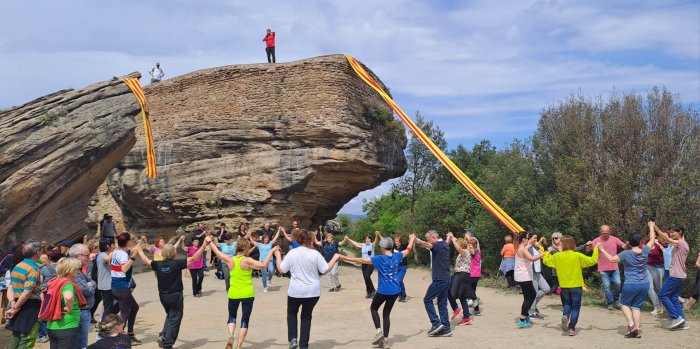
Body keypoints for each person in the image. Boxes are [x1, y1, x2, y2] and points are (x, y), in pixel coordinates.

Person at [339, 234, 416, 348]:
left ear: (383, 248)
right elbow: (408, 250)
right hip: (395, 291)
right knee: (386, 314)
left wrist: (343, 258)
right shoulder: (398, 256)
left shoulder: (379, 258)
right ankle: (385, 341)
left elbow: (361, 260)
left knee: (374, 308)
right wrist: (412, 240)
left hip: (383, 291)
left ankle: (379, 331)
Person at [134, 235, 209, 349]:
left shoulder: (157, 264)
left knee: (170, 315)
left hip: (163, 296)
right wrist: (203, 246)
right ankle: (167, 343)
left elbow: (146, 261)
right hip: (175, 295)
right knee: (175, 318)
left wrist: (139, 251)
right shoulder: (177, 263)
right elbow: (193, 258)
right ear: (173, 253)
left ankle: (163, 335)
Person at [273, 229, 340, 349]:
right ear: (309, 240)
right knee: (306, 316)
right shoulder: (315, 254)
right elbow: (325, 270)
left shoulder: (293, 252)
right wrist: (335, 258)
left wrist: (278, 256)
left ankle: (293, 338)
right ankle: (304, 345)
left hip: (296, 291)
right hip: (313, 292)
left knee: (292, 313)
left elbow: (282, 269)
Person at [210, 237, 279, 349]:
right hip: (247, 293)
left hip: (233, 293)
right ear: (246, 247)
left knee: (232, 316)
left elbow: (217, 252)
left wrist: (209, 241)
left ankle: (231, 335)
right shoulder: (247, 260)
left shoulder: (230, 259)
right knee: (245, 319)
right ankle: (239, 346)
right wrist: (271, 251)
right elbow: (263, 265)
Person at [598, 223, 656, 338]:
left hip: (631, 284)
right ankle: (637, 330)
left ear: (629, 242)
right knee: (636, 307)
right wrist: (651, 227)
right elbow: (653, 239)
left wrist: (602, 250)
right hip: (644, 284)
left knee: (624, 304)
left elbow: (611, 259)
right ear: (640, 242)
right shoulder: (645, 251)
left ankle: (631, 325)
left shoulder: (626, 253)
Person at [542, 235, 600, 336]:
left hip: (564, 286)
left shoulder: (557, 256)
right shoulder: (577, 255)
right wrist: (596, 249)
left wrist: (548, 251)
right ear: (573, 244)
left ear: (562, 244)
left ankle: (565, 315)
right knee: (576, 307)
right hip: (576, 286)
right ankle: (572, 328)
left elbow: (545, 261)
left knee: (567, 304)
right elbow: (592, 261)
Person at [414, 230, 452, 337]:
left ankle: (436, 323)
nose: (428, 241)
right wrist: (449, 237)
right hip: (446, 279)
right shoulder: (444, 244)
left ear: (434, 237)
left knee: (427, 299)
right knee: (442, 304)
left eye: (428, 239)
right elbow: (446, 241)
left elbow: (426, 245)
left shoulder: (438, 245)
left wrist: (415, 240)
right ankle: (446, 329)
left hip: (439, 280)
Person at [6, 240, 43, 349]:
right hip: (30, 306)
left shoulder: (18, 266)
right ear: (38, 252)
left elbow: (11, 288)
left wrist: (14, 305)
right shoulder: (33, 269)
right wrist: (15, 308)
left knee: (16, 336)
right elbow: (27, 292)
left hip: (18, 303)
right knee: (27, 339)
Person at [109, 233, 142, 344]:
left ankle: (130, 334)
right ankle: (118, 338)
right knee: (124, 314)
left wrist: (140, 242)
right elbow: (124, 268)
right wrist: (133, 257)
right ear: (127, 242)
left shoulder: (116, 252)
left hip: (116, 286)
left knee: (135, 308)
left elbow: (133, 249)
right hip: (122, 287)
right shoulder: (123, 255)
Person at [655, 222, 690, 330]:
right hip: (679, 275)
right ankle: (682, 322)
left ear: (680, 232)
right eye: (670, 233)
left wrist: (654, 227)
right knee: (674, 298)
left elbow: (667, 239)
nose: (671, 234)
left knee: (663, 295)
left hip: (676, 275)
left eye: (673, 232)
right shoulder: (679, 244)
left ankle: (675, 318)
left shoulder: (682, 243)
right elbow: (666, 240)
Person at [46, 257, 85, 349]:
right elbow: (68, 296)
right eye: (76, 269)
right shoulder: (67, 284)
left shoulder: (53, 281)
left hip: (52, 325)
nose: (78, 271)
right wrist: (69, 308)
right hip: (67, 325)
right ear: (70, 270)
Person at [69, 243, 97, 349]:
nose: (89, 257)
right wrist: (91, 285)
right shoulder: (72, 270)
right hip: (81, 311)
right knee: (81, 344)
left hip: (84, 311)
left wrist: (91, 284)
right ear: (76, 256)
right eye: (86, 255)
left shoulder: (78, 269)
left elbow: (92, 282)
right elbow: (86, 290)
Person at [514, 232, 545, 328]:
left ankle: (526, 316)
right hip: (524, 277)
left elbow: (527, 250)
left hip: (521, 276)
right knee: (530, 297)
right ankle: (522, 319)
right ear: (524, 239)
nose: (528, 239)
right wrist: (544, 253)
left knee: (529, 296)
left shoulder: (520, 247)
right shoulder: (522, 249)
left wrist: (531, 244)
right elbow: (532, 258)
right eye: (527, 238)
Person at [590, 225, 625, 310]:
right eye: (603, 233)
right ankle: (610, 303)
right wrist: (589, 245)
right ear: (600, 232)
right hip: (603, 268)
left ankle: (615, 300)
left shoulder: (614, 239)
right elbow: (588, 250)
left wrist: (629, 245)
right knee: (607, 287)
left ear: (609, 231)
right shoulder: (596, 241)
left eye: (606, 233)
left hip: (614, 266)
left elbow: (624, 246)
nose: (605, 234)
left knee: (618, 283)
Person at [445, 232, 473, 326]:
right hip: (461, 275)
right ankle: (466, 317)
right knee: (462, 297)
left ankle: (456, 309)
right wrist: (453, 237)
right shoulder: (464, 252)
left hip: (461, 275)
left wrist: (452, 239)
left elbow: (459, 247)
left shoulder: (465, 251)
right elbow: (459, 244)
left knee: (449, 291)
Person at [344, 233, 380, 298]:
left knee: (367, 276)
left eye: (368, 238)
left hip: (370, 263)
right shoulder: (363, 245)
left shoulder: (372, 245)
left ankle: (373, 290)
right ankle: (369, 292)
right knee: (365, 278)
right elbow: (355, 243)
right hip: (363, 263)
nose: (367, 240)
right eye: (366, 239)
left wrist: (377, 235)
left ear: (370, 239)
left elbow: (376, 241)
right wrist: (348, 239)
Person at [37, 250, 61, 343]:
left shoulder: (44, 269)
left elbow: (41, 281)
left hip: (46, 294)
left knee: (44, 313)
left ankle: (42, 335)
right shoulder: (61, 268)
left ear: (50, 258)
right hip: (58, 293)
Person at [528, 233, 550, 319]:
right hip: (532, 273)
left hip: (538, 272)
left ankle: (530, 306)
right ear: (529, 238)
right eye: (534, 238)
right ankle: (531, 312)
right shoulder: (527, 248)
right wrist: (546, 252)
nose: (535, 240)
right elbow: (532, 257)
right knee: (534, 292)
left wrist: (540, 241)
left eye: (536, 238)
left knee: (546, 288)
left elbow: (536, 246)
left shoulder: (533, 247)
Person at [645, 230, 666, 316]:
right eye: (650, 234)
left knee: (658, 288)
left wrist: (658, 244)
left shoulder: (660, 243)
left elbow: (666, 252)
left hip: (658, 267)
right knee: (649, 287)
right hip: (647, 267)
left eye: (653, 234)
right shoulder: (644, 243)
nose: (652, 235)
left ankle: (661, 306)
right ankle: (657, 306)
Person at [95, 238, 116, 323]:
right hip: (106, 286)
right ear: (108, 246)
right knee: (108, 307)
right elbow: (107, 259)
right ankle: (102, 325)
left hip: (106, 285)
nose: (113, 246)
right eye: (112, 245)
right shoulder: (102, 255)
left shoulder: (102, 255)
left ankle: (106, 322)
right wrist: (115, 250)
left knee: (110, 306)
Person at [466, 237, 482, 315]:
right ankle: (476, 310)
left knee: (467, 291)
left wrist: (465, 245)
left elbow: (470, 251)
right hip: (474, 274)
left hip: (473, 274)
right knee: (472, 291)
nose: (469, 246)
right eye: (468, 245)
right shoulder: (474, 250)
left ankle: (476, 299)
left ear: (474, 245)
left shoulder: (476, 251)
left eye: (470, 245)